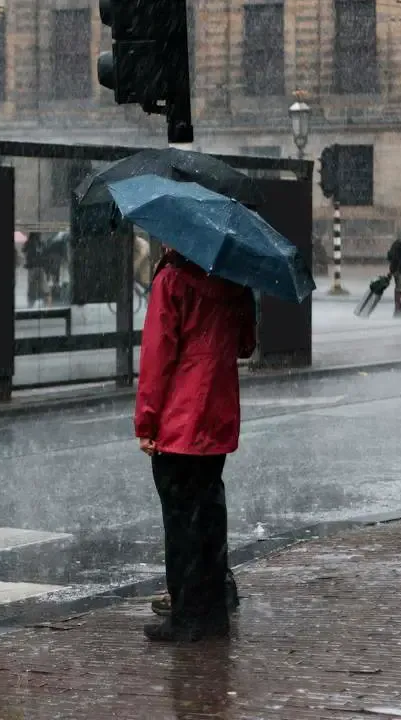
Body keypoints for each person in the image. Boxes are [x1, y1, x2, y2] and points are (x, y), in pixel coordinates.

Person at [135, 248, 256, 643]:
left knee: (179, 521)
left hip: (179, 420)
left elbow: (157, 356)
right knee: (209, 516)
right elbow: (246, 345)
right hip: (217, 417)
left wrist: (146, 422)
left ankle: (186, 616)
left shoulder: (171, 280)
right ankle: (213, 614)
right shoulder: (235, 280)